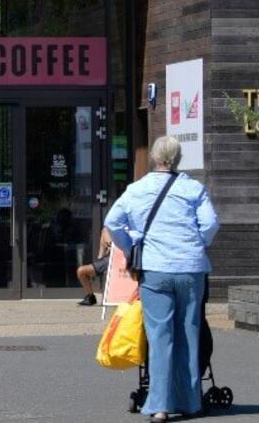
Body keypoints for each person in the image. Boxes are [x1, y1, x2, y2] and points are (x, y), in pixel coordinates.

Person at [104, 136, 219, 421]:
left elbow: (112, 222)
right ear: (178, 158)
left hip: (155, 268)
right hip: (190, 268)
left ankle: (159, 406)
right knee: (189, 333)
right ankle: (191, 402)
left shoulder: (136, 189)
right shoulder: (193, 188)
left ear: (155, 157)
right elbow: (210, 224)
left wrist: (130, 247)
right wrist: (196, 243)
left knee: (159, 337)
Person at [76, 227, 113, 306]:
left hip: (120, 257)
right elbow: (102, 247)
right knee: (81, 271)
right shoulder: (107, 229)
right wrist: (99, 260)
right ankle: (90, 297)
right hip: (108, 258)